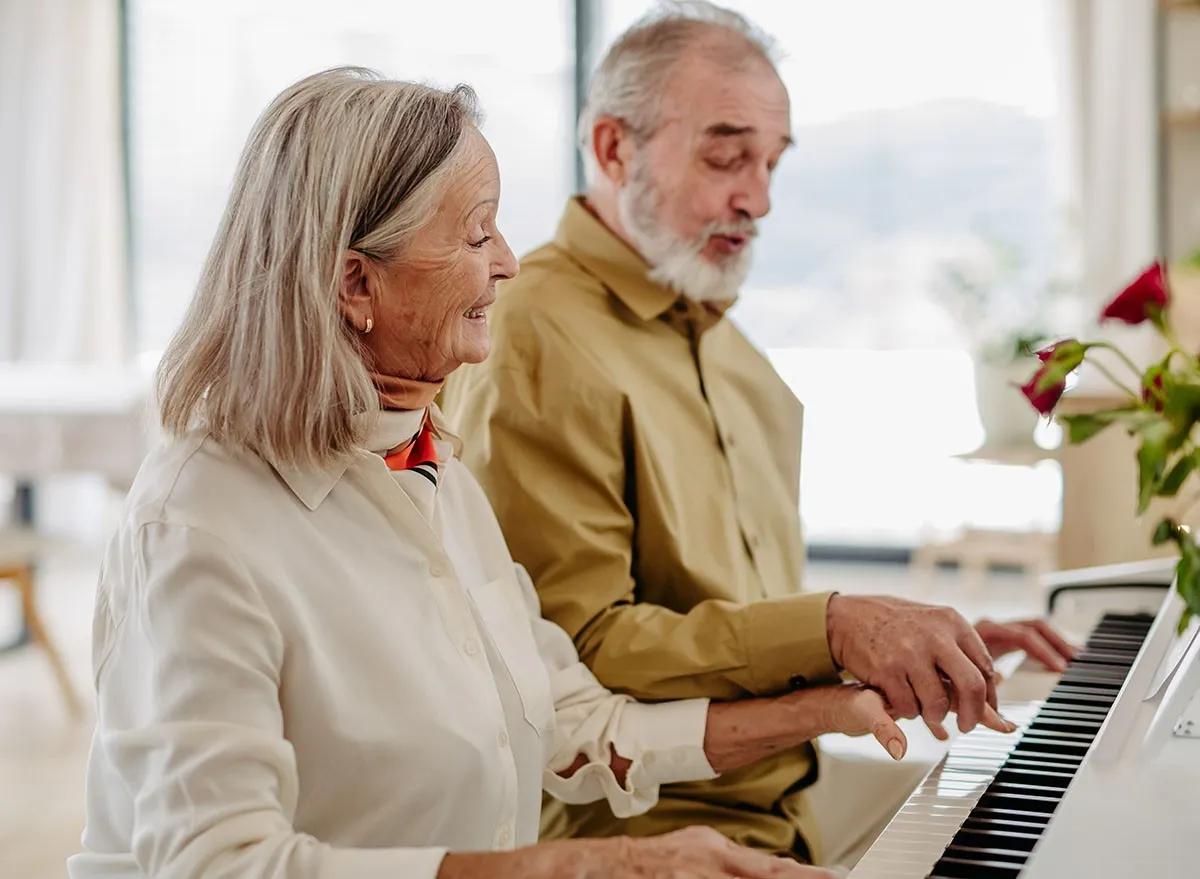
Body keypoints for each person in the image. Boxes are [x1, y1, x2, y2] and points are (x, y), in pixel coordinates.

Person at [62, 65, 944, 879]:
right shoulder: (197, 525)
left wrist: (822, 710)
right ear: (354, 286)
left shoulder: (430, 465)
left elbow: (570, 724)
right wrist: (584, 867)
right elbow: (219, 863)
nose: (509, 263)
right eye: (476, 232)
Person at [439, 1, 1077, 869]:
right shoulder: (532, 333)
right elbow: (575, 659)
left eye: (772, 162)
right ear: (613, 148)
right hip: (646, 834)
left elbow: (734, 621)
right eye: (726, 155)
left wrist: (905, 640)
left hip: (790, 800)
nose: (760, 197)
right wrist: (837, 625)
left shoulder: (735, 352)